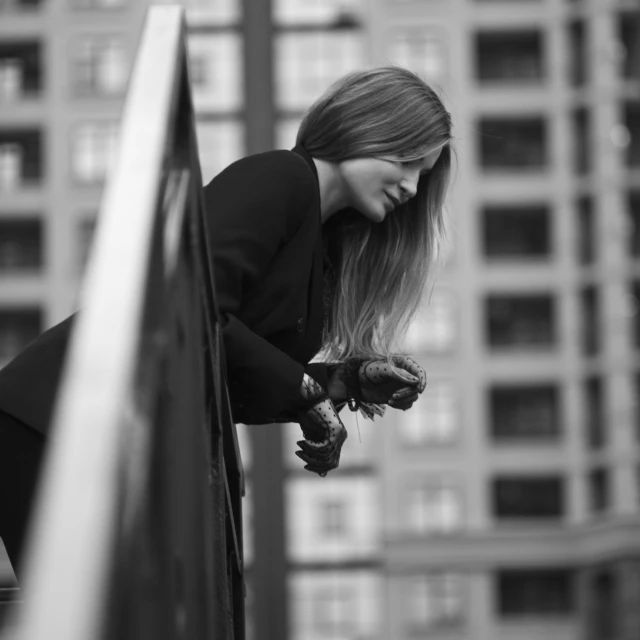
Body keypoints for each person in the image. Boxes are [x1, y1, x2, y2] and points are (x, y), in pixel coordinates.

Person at [0, 66, 453, 578]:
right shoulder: (279, 177)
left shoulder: (319, 245)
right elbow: (190, 300)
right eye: (409, 161)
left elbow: (227, 367)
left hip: (110, 435)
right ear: (367, 128)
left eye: (425, 174)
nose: (414, 188)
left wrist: (347, 379)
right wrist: (305, 393)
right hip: (58, 416)